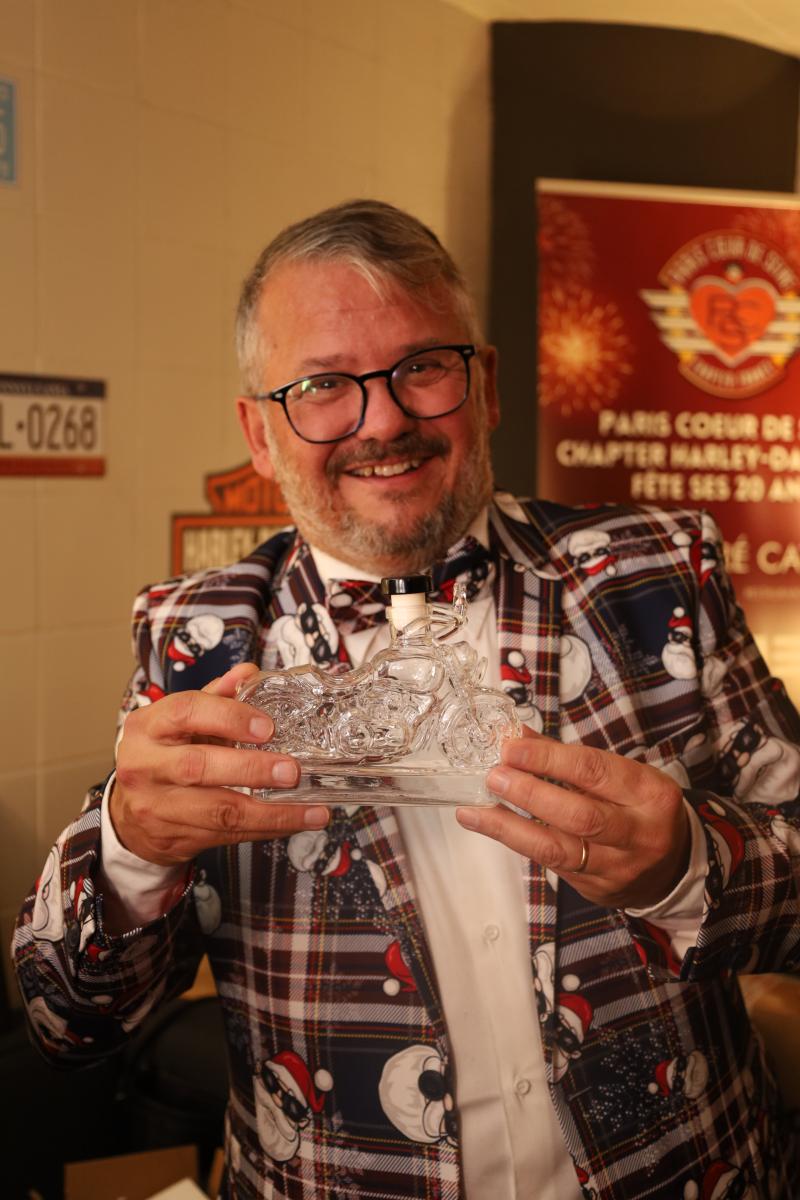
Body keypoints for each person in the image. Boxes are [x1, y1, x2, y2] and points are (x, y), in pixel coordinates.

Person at [13, 199, 800, 1200]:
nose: (382, 421)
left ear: (488, 387)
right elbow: (67, 1023)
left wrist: (690, 865)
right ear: (259, 433)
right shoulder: (198, 638)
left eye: (422, 366)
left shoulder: (655, 573)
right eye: (322, 385)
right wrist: (130, 850)